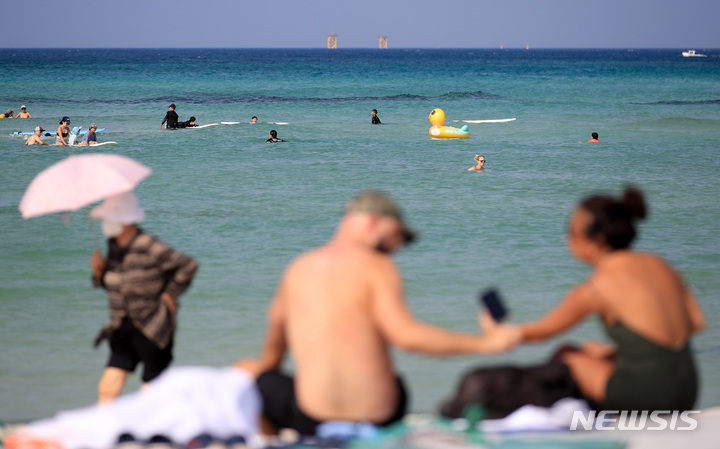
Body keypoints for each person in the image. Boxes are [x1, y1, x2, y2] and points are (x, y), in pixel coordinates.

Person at [237, 190, 517, 435]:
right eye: (393, 239)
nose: (393, 250)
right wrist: (487, 343)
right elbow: (406, 337)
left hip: (310, 418)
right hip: (379, 416)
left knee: (249, 373)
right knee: (395, 381)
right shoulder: (377, 266)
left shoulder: (298, 268)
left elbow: (273, 353)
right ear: (374, 222)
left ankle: (273, 441)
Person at [509, 186, 704, 412]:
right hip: (687, 391)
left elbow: (541, 332)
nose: (567, 238)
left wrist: (497, 332)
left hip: (651, 396)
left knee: (568, 357)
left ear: (596, 241)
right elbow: (697, 322)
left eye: (571, 231)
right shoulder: (660, 264)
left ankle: (546, 421)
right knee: (592, 352)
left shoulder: (598, 286)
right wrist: (624, 354)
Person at [89, 191, 198, 404]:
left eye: (110, 217)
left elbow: (187, 265)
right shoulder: (113, 246)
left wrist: (170, 294)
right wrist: (99, 271)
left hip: (153, 324)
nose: (106, 222)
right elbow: (117, 286)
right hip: (122, 324)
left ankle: (158, 424)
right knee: (108, 386)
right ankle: (106, 422)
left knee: (153, 387)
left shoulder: (147, 244)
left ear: (126, 220)